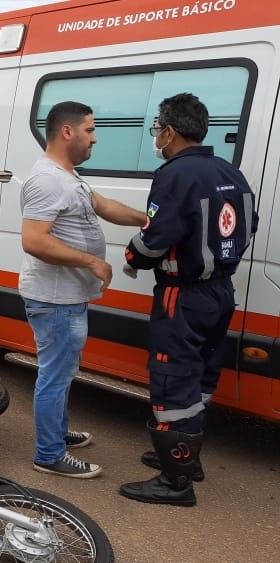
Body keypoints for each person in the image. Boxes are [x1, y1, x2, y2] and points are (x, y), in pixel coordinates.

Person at [119, 93, 258, 507]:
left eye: (157, 128)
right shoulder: (230, 171)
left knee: (173, 379)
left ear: (171, 131)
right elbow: (248, 225)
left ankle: (175, 481)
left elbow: (155, 238)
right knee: (200, 378)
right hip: (221, 291)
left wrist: (131, 257)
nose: (157, 136)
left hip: (183, 296)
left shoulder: (174, 174)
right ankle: (186, 456)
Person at [20, 101, 147, 479]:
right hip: (55, 299)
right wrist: (91, 261)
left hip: (68, 298)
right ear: (67, 132)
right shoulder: (47, 180)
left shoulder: (69, 176)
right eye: (90, 130)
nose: (95, 137)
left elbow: (104, 206)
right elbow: (34, 240)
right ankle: (49, 454)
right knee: (55, 375)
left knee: (61, 371)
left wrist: (148, 218)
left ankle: (56, 434)